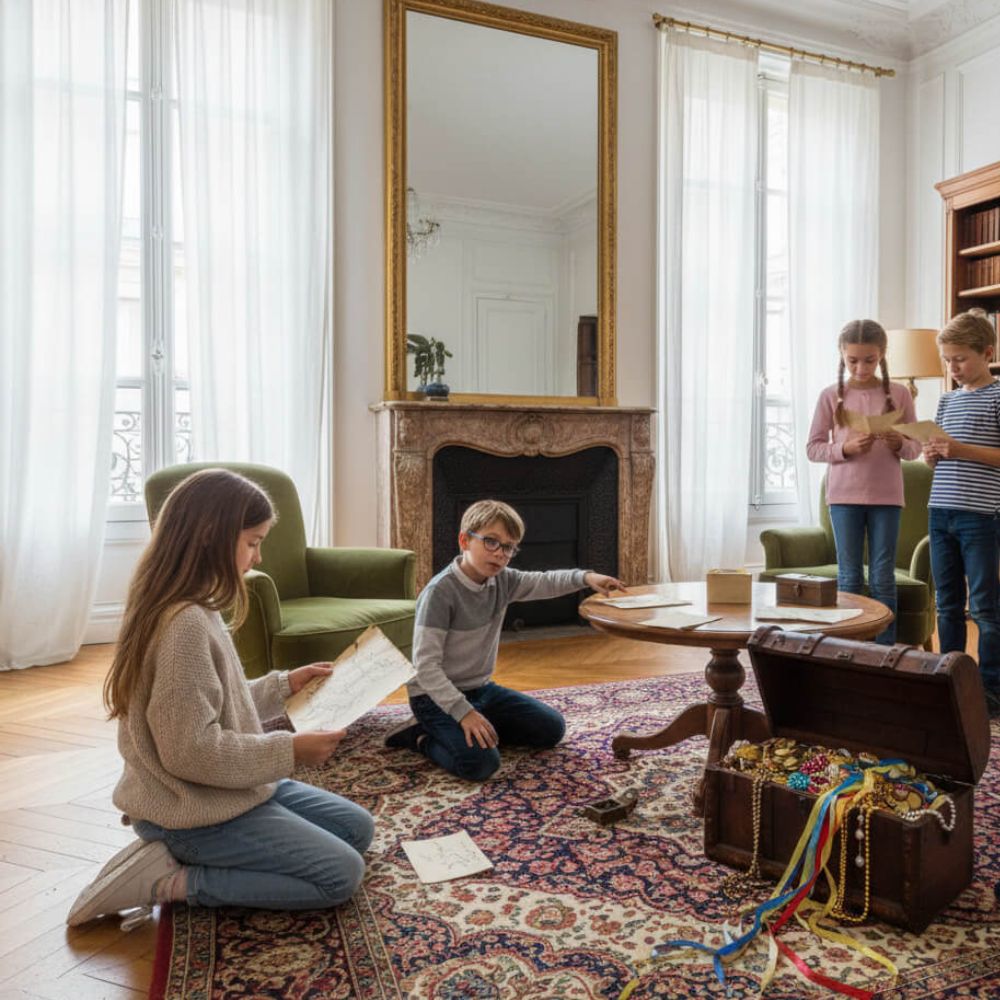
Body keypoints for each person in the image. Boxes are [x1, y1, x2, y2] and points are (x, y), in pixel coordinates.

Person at [67, 469, 374, 929]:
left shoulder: (193, 605)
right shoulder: (183, 625)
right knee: (340, 874)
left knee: (358, 829)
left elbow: (216, 701)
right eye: (252, 542)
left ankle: (201, 856)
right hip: (189, 811)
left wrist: (284, 684)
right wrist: (290, 750)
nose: (258, 555)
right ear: (211, 536)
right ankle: (169, 880)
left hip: (228, 792)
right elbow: (191, 751)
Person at [385, 499, 624, 781]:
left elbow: (545, 581)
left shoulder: (504, 581)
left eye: (508, 547)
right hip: (433, 697)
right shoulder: (440, 593)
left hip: (480, 689)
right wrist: (464, 714)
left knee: (551, 729)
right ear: (464, 540)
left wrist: (587, 577)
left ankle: (478, 727)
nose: (500, 553)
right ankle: (420, 736)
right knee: (480, 765)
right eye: (491, 542)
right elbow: (425, 668)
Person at [806, 319, 920, 645]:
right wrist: (845, 448)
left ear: (882, 354)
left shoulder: (899, 394)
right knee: (850, 575)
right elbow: (813, 448)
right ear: (841, 355)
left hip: (887, 498)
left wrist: (899, 443)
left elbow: (915, 449)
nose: (860, 367)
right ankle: (848, 650)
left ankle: (885, 653)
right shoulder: (830, 396)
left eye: (869, 360)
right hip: (843, 498)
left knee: (883, 577)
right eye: (852, 360)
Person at [923, 308, 1000, 719]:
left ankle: (989, 690)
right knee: (947, 603)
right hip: (940, 512)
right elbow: (938, 460)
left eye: (960, 358)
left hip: (980, 516)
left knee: (985, 607)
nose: (953, 367)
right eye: (947, 359)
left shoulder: (998, 396)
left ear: (987, 352)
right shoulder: (946, 400)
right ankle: (948, 679)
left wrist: (959, 449)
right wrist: (932, 454)